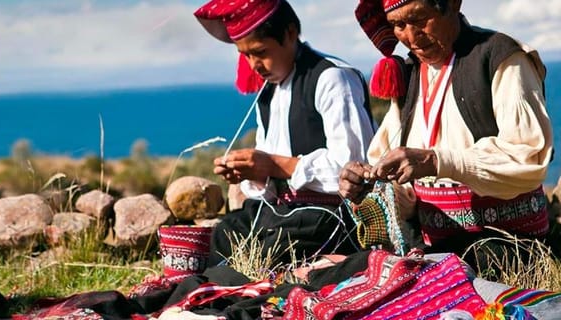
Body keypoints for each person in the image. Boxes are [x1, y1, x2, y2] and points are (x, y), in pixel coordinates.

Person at [339, 0, 553, 266]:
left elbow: (528, 160)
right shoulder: (410, 74)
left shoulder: (502, 57)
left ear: (452, 3)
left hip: (506, 248)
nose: (411, 37)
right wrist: (369, 188)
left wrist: (436, 161)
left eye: (419, 19)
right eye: (398, 25)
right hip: (434, 250)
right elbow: (404, 197)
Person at [194, 0, 377, 266]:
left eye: (260, 51)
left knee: (270, 252)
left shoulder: (332, 79)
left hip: (328, 217)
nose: (254, 65)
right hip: (282, 214)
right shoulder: (267, 94)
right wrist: (252, 174)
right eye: (245, 55)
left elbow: (356, 171)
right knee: (225, 234)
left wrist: (275, 165)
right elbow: (268, 186)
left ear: (290, 33)